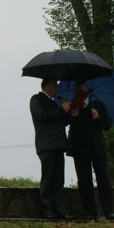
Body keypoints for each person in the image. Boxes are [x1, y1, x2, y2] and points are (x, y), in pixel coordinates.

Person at [66, 81, 114, 220]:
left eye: (81, 90)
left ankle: (108, 210)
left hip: (97, 148)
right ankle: (90, 212)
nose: (78, 92)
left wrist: (97, 117)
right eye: (76, 90)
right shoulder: (72, 107)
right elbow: (64, 122)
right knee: (84, 180)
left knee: (103, 178)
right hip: (80, 149)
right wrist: (72, 116)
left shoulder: (98, 105)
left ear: (87, 91)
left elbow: (107, 124)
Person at [30, 77, 73, 219]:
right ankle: (47, 209)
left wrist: (69, 113)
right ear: (47, 86)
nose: (56, 90)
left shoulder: (54, 103)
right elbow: (43, 116)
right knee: (48, 178)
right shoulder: (36, 100)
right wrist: (61, 109)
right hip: (47, 145)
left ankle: (59, 209)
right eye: (55, 87)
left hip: (58, 145)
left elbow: (59, 121)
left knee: (58, 179)